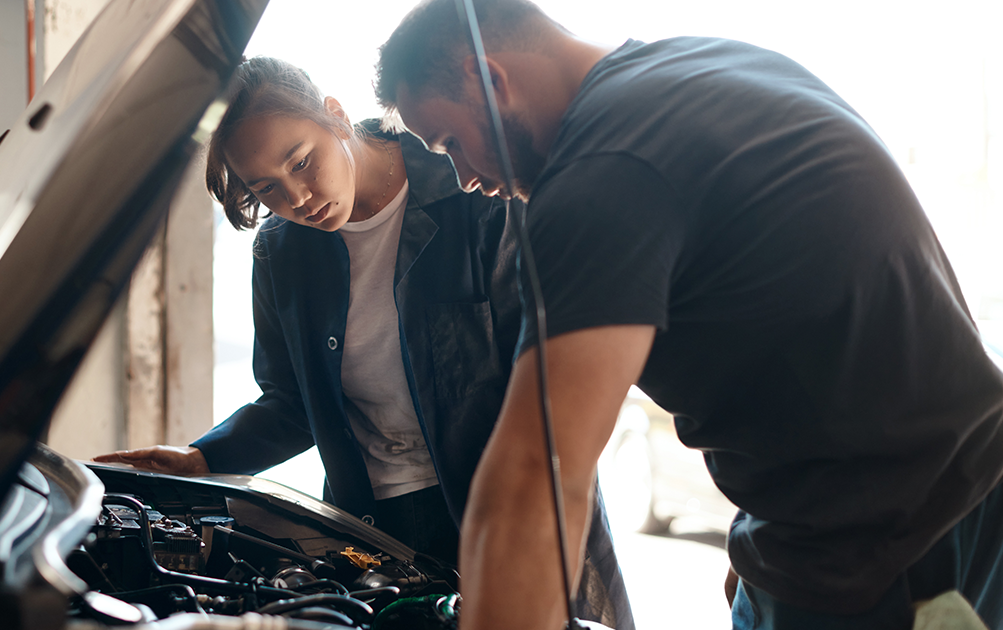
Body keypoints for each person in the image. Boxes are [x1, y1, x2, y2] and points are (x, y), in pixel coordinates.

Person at [373, 2, 1003, 630]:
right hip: (876, 504)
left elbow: (536, 479)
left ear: (490, 78)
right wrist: (754, 521)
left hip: (901, 544)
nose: (462, 178)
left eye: (451, 142)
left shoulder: (603, 170)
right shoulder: (701, 67)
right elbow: (809, 304)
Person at [94, 57, 634, 629]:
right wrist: (207, 455)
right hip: (372, 526)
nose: (297, 197)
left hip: (507, 511)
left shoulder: (472, 188)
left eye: (302, 162)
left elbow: (548, 377)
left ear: (336, 116)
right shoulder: (283, 253)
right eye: (266, 189)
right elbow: (292, 402)